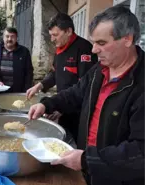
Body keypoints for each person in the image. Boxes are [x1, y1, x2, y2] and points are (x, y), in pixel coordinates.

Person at [28, 6, 145, 185]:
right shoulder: (100, 70)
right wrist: (47, 104)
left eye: (102, 43)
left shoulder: (140, 83)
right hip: (87, 172)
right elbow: (76, 93)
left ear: (127, 39)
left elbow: (140, 152)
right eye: (94, 42)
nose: (93, 50)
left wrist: (87, 160)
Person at [26, 13, 98, 141]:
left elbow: (85, 87)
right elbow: (55, 73)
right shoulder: (60, 49)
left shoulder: (84, 49)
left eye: (55, 35)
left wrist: (61, 109)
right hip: (64, 103)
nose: (52, 39)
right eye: (51, 35)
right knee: (65, 139)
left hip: (78, 111)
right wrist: (39, 85)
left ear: (68, 31)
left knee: (75, 142)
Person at [0, 27, 33, 93]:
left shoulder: (24, 51)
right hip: (0, 89)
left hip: (18, 90)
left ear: (16, 38)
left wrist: (27, 88)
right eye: (7, 36)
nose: (9, 39)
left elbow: (29, 72)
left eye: (12, 36)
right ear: (3, 37)